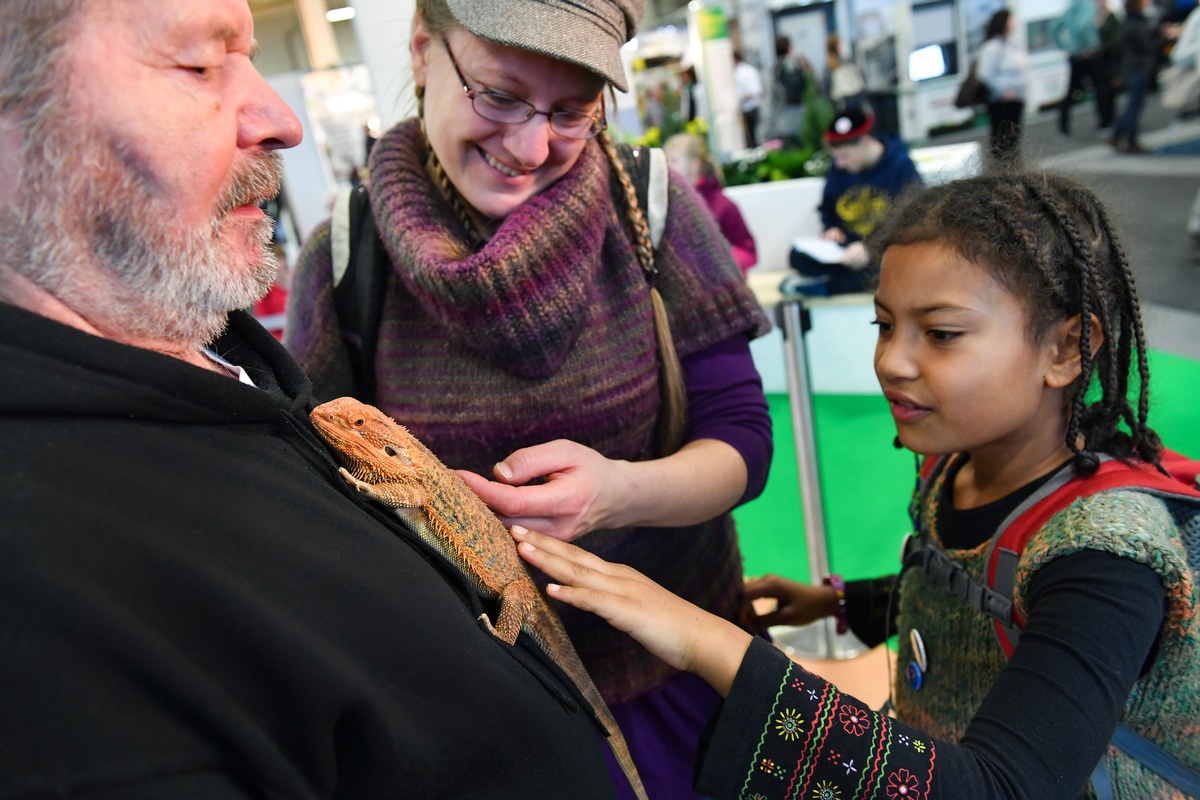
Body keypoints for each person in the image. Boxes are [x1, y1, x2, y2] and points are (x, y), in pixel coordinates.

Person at [0, 0, 637, 795]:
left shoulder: (219, 350)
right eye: (198, 63)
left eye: (571, 110)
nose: (281, 117)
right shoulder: (51, 583)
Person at [512, 171, 1200, 799]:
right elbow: (975, 602)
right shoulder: (953, 469)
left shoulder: (1108, 557)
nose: (892, 361)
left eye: (941, 333)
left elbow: (1002, 789)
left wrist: (708, 642)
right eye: (884, 325)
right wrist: (841, 604)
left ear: (1065, 349)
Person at [283, 1, 774, 796]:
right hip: (475, 709)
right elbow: (320, 497)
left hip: (685, 671)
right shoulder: (345, 253)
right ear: (421, 50)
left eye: (573, 110)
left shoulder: (653, 206)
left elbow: (745, 442)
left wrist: (621, 493)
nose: (530, 145)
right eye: (499, 95)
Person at [787, 106, 922, 295]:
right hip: (847, 249)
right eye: (837, 158)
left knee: (892, 267)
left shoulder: (900, 165)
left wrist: (870, 247)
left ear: (865, 142)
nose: (840, 163)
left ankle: (831, 286)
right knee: (797, 257)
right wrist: (831, 228)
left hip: (884, 248)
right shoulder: (839, 169)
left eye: (845, 156)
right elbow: (827, 207)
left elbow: (912, 219)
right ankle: (842, 281)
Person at [664, 132, 757, 275]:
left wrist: (724, 264)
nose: (667, 167)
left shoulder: (723, 205)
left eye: (673, 160)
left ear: (695, 164)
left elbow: (748, 251)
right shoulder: (668, 205)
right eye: (666, 161)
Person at [978, 8, 1030, 166]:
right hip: (1001, 102)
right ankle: (1002, 171)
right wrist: (1003, 91)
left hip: (1015, 100)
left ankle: (1014, 170)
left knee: (1014, 139)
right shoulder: (993, 47)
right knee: (1002, 140)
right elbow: (984, 74)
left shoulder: (1011, 45)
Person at [1111, 0, 1162, 153]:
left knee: (1131, 105)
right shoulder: (1136, 24)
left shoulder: (1127, 23)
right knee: (1134, 106)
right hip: (1138, 68)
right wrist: (1162, 38)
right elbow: (1146, 46)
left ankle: (1117, 135)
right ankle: (1130, 140)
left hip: (1131, 68)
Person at [1053, 0, 1111, 135]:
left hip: (1075, 54)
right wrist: (1088, 45)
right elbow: (1083, 26)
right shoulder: (1087, 6)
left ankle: (1063, 126)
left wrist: (1067, 47)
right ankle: (1104, 122)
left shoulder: (1071, 6)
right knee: (1100, 88)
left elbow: (1055, 29)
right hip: (1088, 53)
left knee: (1072, 91)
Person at [767, 34, 812, 144]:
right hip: (796, 113)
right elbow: (801, 86)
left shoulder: (775, 67)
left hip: (781, 117)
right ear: (789, 48)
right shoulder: (792, 64)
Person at [824, 33, 869, 112]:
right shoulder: (844, 62)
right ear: (836, 46)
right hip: (849, 100)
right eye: (840, 44)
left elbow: (827, 89)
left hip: (843, 102)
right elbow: (860, 76)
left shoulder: (830, 66)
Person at [734, 49, 765, 147]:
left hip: (750, 107)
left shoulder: (743, 72)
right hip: (750, 108)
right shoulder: (748, 70)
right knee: (752, 137)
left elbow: (755, 90)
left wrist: (740, 98)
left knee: (754, 137)